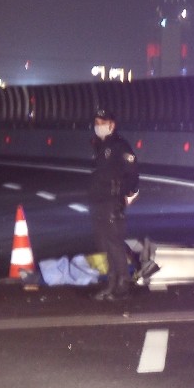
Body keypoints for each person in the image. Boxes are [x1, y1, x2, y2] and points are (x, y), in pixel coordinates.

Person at [88, 107, 140, 301]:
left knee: (114, 243)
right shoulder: (100, 145)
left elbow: (133, 172)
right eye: (96, 123)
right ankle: (111, 282)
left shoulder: (119, 146)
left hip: (112, 202)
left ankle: (122, 284)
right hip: (99, 202)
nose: (98, 127)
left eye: (102, 123)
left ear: (112, 124)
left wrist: (128, 194)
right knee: (104, 243)